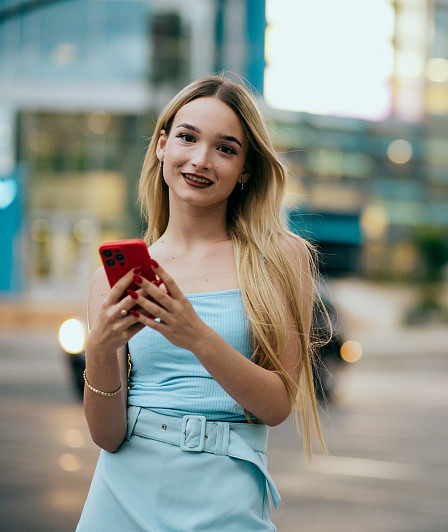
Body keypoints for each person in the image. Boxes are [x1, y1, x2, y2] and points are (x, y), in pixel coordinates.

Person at [77, 74, 328, 531]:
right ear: (161, 145)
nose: (200, 160)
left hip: (228, 495)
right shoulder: (111, 278)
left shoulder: (280, 259)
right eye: (187, 138)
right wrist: (99, 350)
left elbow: (275, 407)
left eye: (226, 148)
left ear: (246, 170)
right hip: (122, 496)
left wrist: (194, 333)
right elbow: (107, 436)